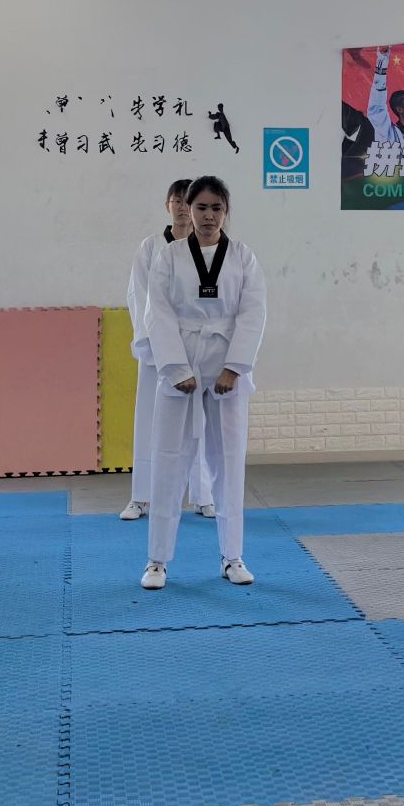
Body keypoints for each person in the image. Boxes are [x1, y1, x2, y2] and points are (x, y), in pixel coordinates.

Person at [140, 175, 266, 590]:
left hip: (226, 371)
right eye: (201, 208)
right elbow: (157, 312)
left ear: (226, 211)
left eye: (216, 208)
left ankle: (233, 556)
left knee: (228, 462)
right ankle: (157, 560)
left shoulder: (243, 257)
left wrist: (235, 367)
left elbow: (253, 313)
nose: (209, 216)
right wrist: (176, 369)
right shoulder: (170, 256)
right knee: (168, 461)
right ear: (188, 210)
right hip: (181, 368)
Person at [120, 179, 216, 522]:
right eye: (176, 201)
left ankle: (203, 496)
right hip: (158, 349)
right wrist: (155, 344)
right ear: (168, 206)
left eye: (186, 201)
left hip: (197, 348)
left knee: (200, 423)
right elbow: (140, 296)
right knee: (150, 420)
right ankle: (141, 497)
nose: (181, 207)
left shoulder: (207, 248)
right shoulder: (151, 247)